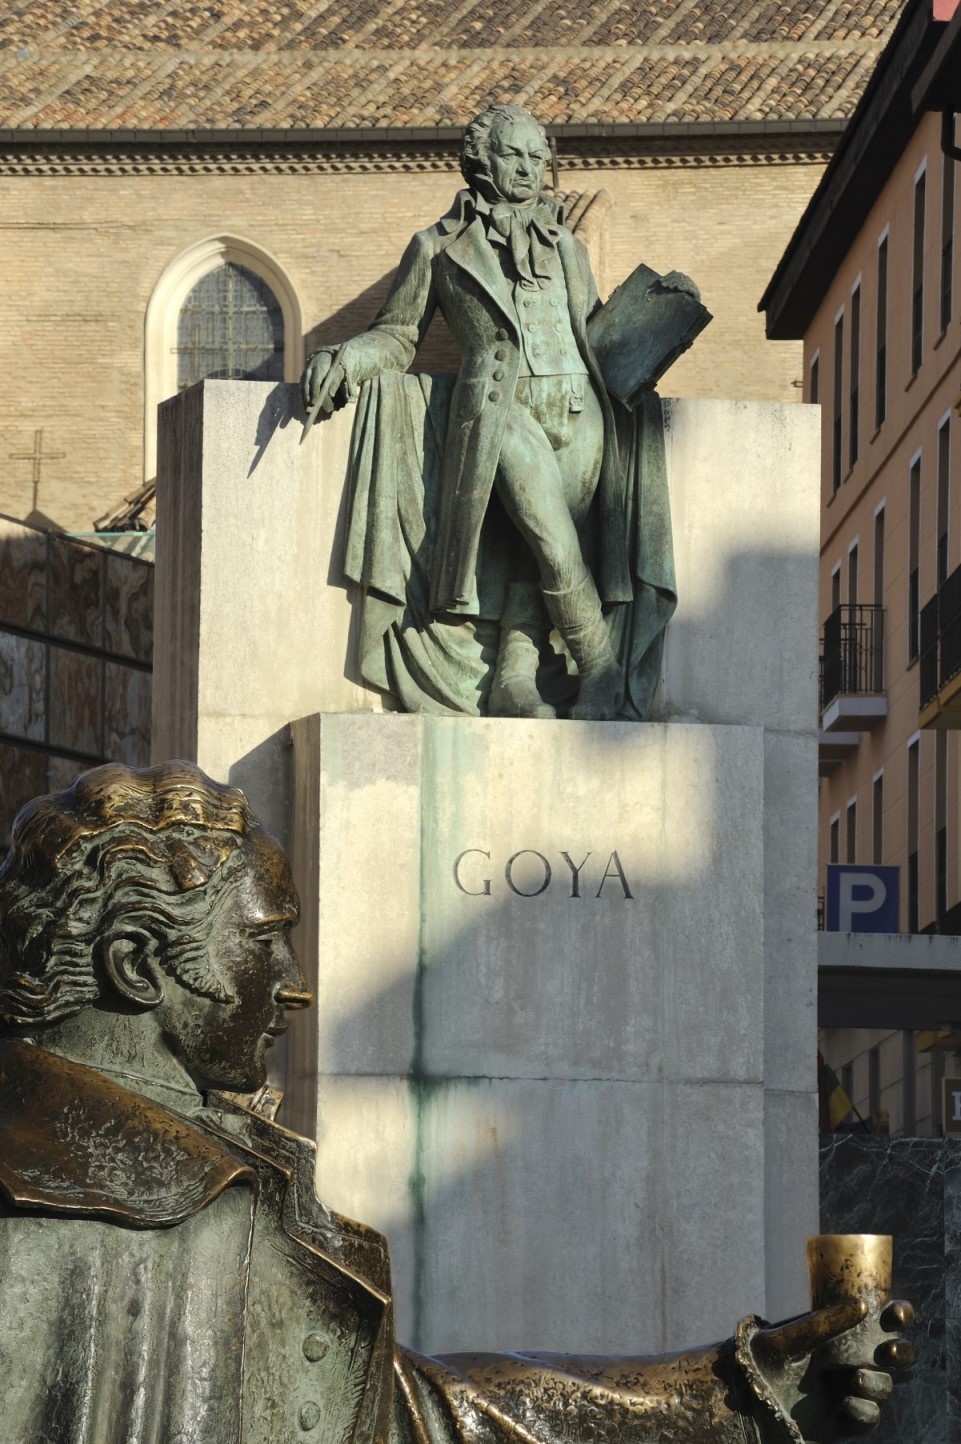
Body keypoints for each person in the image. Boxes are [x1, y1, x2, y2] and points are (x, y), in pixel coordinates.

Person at [0, 762, 912, 1443]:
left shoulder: (204, 1183)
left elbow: (418, 1416)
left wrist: (746, 1385)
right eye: (266, 942)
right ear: (136, 965)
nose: (294, 986)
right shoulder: (130, 1209)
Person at [302, 104, 658, 722]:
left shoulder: (568, 247)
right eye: (511, 155)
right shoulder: (437, 246)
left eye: (535, 157)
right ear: (480, 161)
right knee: (550, 534)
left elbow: (591, 329)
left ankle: (514, 679)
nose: (526, 168)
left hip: (581, 408)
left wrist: (653, 325)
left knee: (540, 546)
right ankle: (599, 665)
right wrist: (349, 358)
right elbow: (398, 335)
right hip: (501, 405)